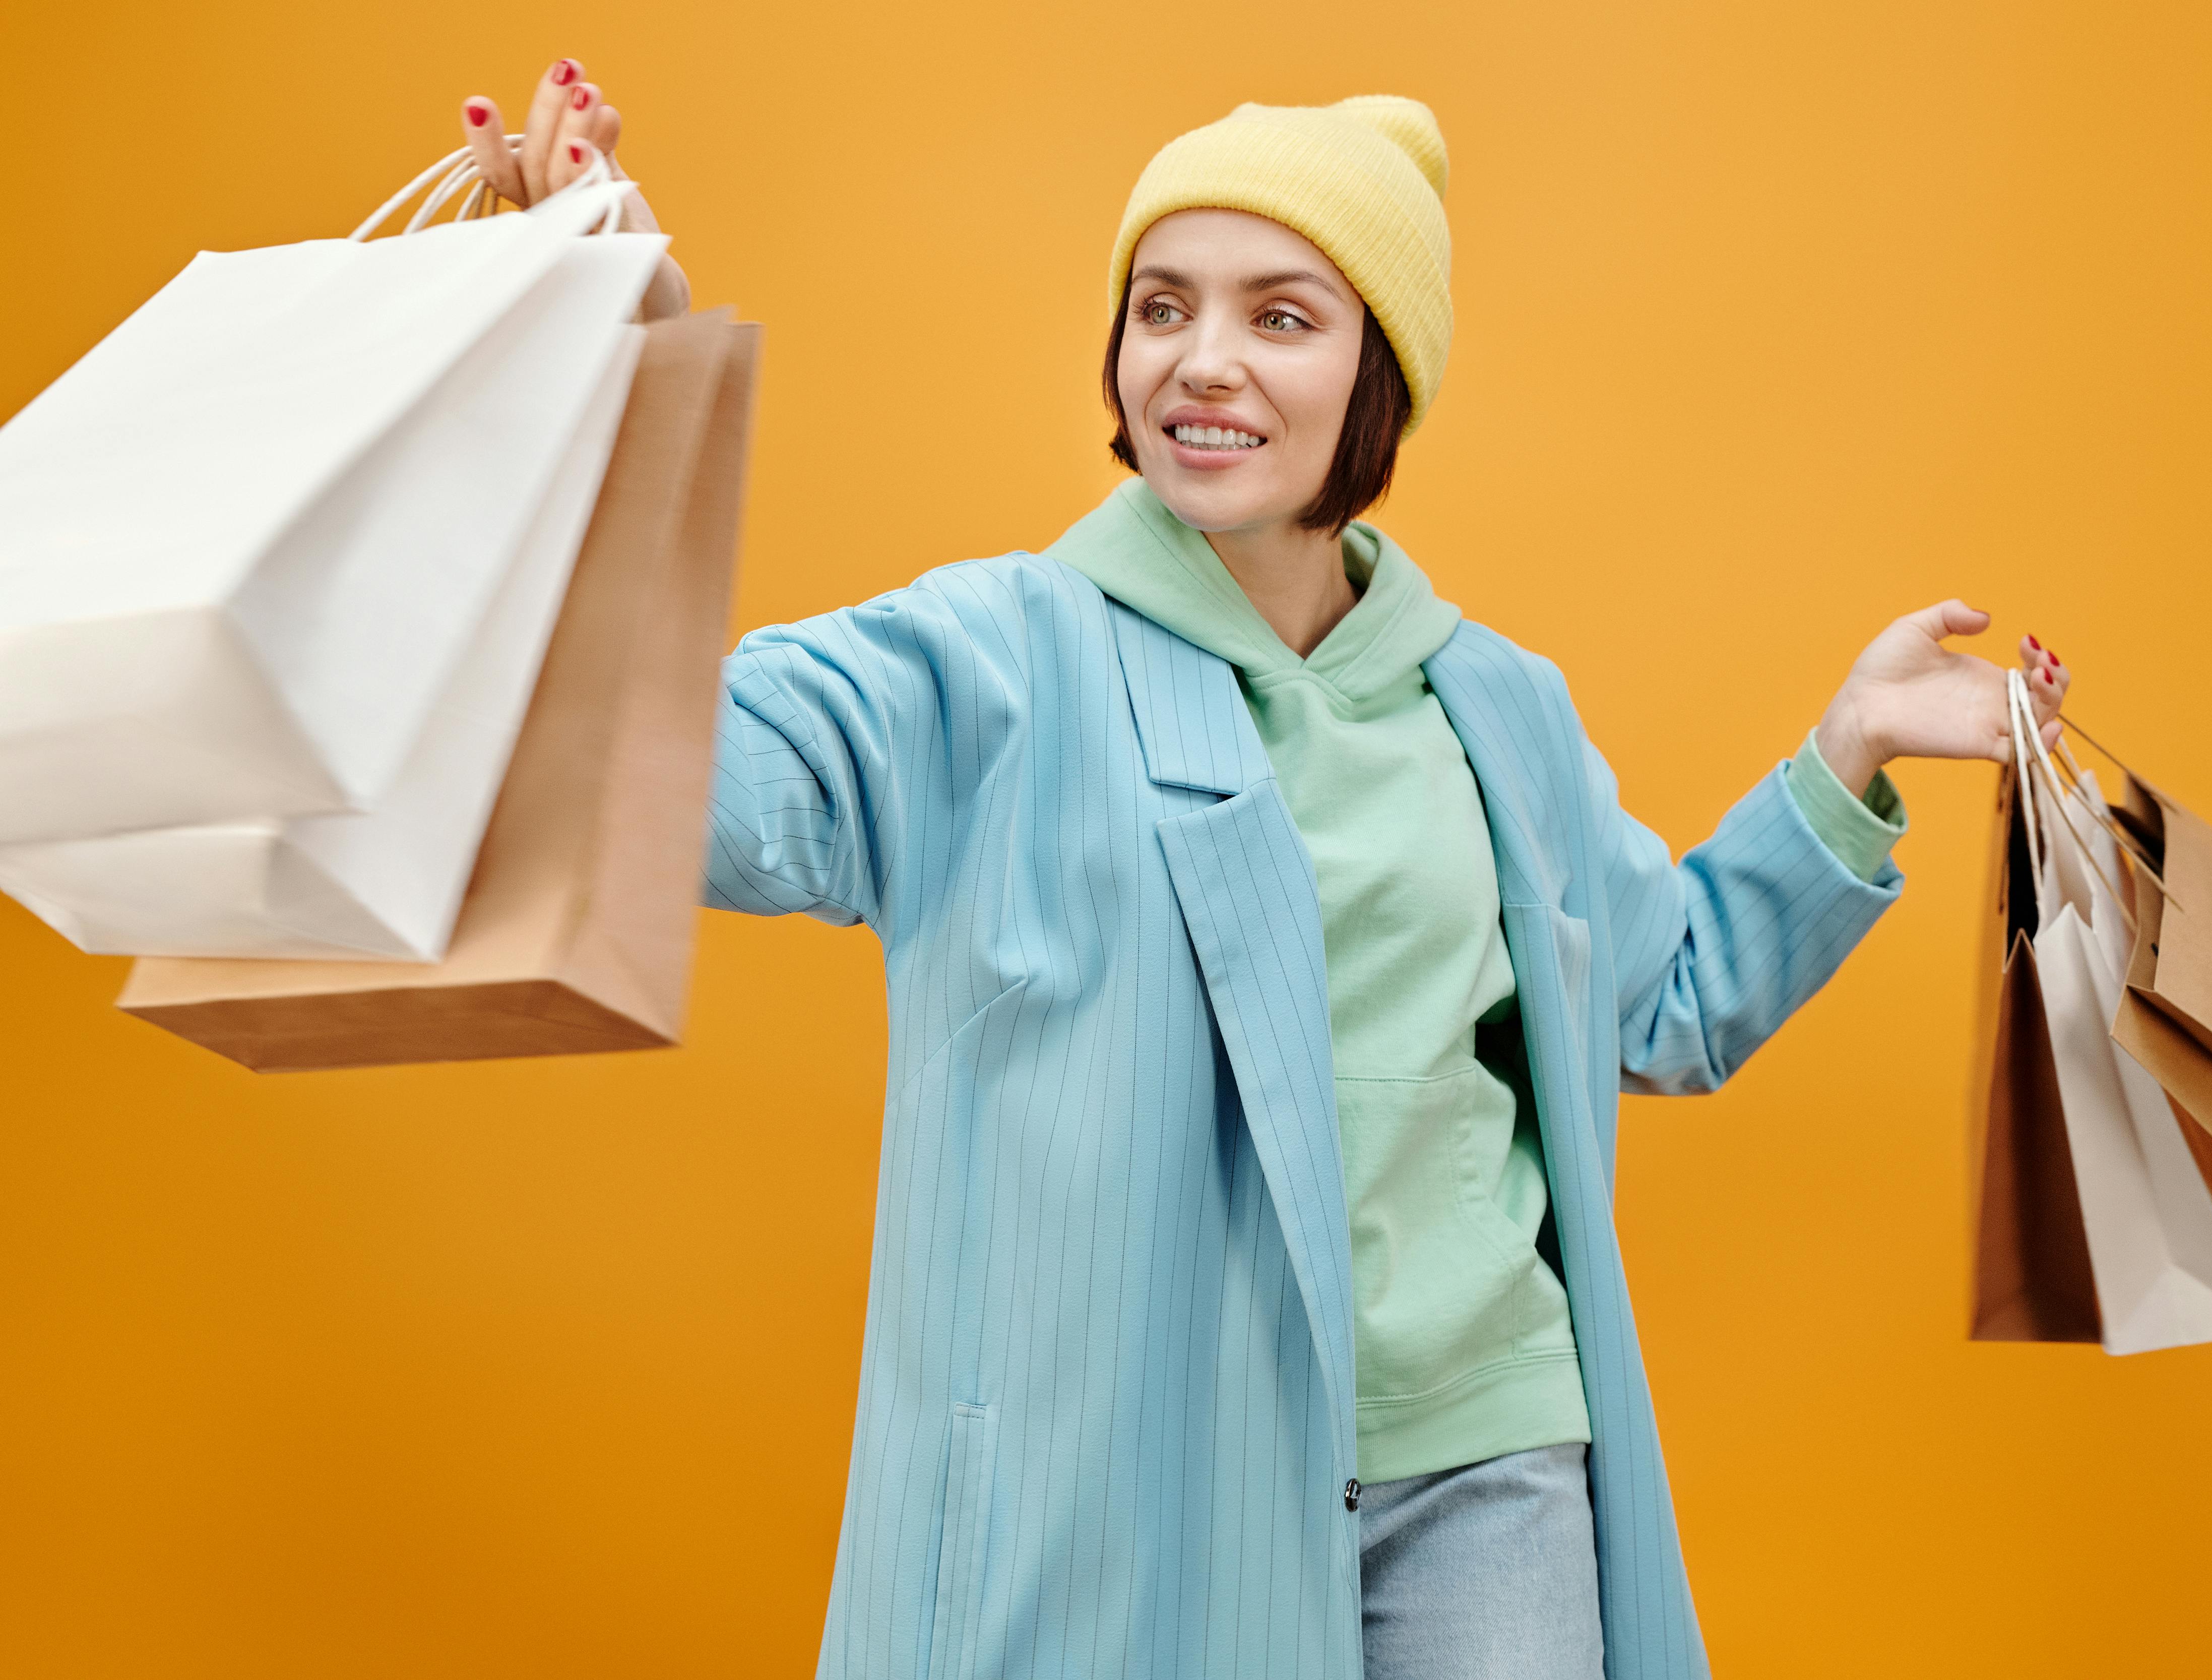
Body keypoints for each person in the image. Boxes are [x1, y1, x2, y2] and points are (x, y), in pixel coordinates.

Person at [460, 64, 2070, 1680]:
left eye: (1283, 317)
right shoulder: (985, 660)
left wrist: (1847, 755)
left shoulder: (1493, 704)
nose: (1204, 361)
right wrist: (612, 373)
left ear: (1381, 373)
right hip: (1137, 1489)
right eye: (1162, 306)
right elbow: (684, 779)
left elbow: (1672, 1002)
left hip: (1488, 1469)